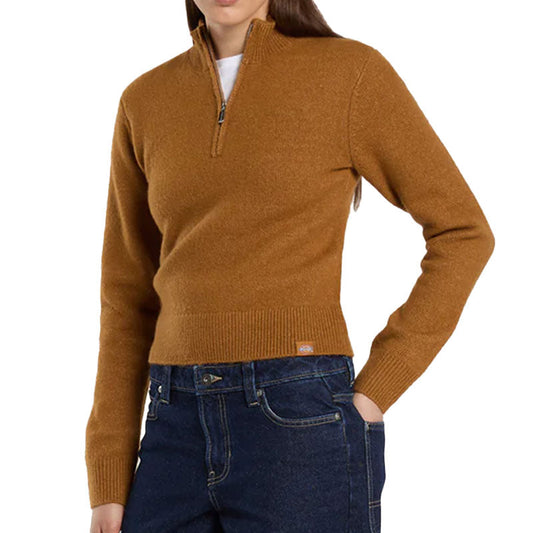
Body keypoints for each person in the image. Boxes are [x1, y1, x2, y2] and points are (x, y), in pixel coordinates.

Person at [85, 0, 495, 531]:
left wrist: (375, 391)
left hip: (301, 417)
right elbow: (127, 298)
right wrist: (109, 475)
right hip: (172, 426)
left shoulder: (349, 73)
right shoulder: (144, 101)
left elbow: (463, 232)